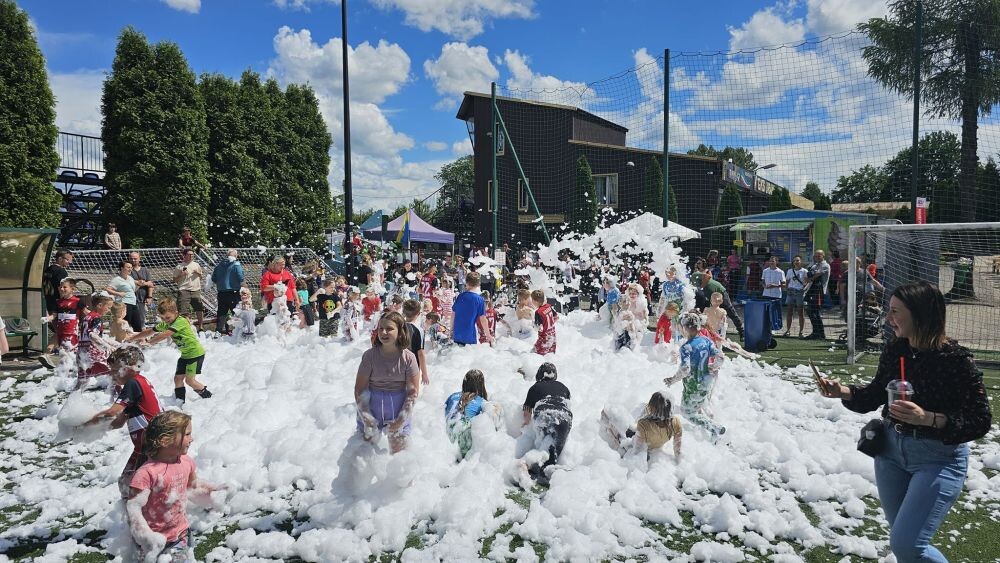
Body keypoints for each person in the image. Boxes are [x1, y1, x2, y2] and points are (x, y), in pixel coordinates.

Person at [815, 281, 992, 563]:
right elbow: (874, 394)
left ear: (920, 314)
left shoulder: (956, 360)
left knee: (908, 546)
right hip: (890, 454)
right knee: (903, 545)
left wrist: (929, 418)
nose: (888, 318)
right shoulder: (897, 349)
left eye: (895, 311)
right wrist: (842, 391)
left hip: (938, 459)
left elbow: (981, 420)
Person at [128, 411, 217, 561]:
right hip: (151, 541)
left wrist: (213, 493)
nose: (192, 439)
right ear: (165, 440)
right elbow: (133, 510)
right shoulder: (146, 474)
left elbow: (193, 486)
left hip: (180, 534)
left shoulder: (186, 461)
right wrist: (147, 536)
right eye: (187, 434)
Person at [87, 346, 161, 497]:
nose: (112, 375)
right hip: (150, 443)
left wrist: (85, 423)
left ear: (129, 369)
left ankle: (142, 514)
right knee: (130, 484)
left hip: (150, 445)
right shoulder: (139, 383)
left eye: (115, 370)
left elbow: (113, 412)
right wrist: (94, 430)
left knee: (131, 486)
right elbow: (119, 421)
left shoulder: (133, 383)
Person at [354, 312, 420, 454]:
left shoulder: (409, 358)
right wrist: (367, 417)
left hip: (398, 408)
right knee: (364, 455)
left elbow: (412, 393)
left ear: (401, 331)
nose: (384, 332)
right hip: (372, 406)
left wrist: (400, 420)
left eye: (389, 329)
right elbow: (360, 389)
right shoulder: (369, 356)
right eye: (380, 328)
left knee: (400, 458)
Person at [130, 299, 211, 402]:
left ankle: (208, 397)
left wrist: (150, 342)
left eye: (168, 317)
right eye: (163, 318)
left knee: (190, 381)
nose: (165, 320)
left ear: (176, 313)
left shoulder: (180, 321)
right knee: (177, 379)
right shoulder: (166, 323)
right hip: (185, 355)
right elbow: (150, 331)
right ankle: (179, 402)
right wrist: (133, 338)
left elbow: (166, 334)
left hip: (195, 354)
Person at [664, 312, 726, 438]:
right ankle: (708, 429)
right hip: (706, 382)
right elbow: (720, 357)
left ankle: (714, 428)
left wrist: (672, 380)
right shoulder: (706, 341)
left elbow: (685, 369)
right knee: (699, 405)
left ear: (685, 328)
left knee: (687, 412)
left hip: (693, 386)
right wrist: (713, 367)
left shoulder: (687, 347)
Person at [521, 362, 572, 484]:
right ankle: (553, 473)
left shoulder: (534, 388)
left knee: (542, 448)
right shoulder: (564, 387)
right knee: (554, 453)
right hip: (564, 418)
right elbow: (568, 405)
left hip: (544, 414)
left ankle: (537, 468)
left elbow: (527, 412)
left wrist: (524, 426)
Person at [600, 391, 683, 460]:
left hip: (638, 445)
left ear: (653, 407)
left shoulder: (644, 424)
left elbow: (637, 449)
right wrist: (678, 461)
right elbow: (677, 448)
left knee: (606, 414)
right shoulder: (675, 422)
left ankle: (606, 435)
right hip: (654, 444)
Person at [444, 369, 499, 459]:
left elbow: (444, 415)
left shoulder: (452, 396)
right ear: (481, 386)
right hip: (464, 449)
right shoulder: (481, 402)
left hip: (447, 443)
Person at [697, 271, 745, 340]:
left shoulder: (709, 287)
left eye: (700, 283)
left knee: (731, 312)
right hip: (713, 297)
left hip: (721, 294)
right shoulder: (703, 286)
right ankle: (709, 333)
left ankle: (741, 332)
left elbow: (710, 300)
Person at [78, 294, 114, 382]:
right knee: (112, 376)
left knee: (82, 380)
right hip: (94, 353)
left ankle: (75, 395)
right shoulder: (97, 318)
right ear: (100, 305)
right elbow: (93, 335)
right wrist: (107, 347)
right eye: (108, 307)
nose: (109, 310)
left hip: (82, 351)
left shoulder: (87, 317)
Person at [451, 272, 492, 346]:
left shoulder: (460, 296)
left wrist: (451, 330)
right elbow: (483, 320)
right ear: (478, 284)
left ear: (466, 282)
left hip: (457, 334)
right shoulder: (479, 300)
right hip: (469, 335)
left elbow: (453, 314)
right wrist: (488, 335)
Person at [212, 249, 245, 334]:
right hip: (233, 292)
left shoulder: (219, 265)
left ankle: (218, 332)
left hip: (221, 293)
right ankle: (239, 332)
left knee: (221, 313)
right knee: (237, 312)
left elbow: (213, 279)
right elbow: (241, 278)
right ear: (235, 256)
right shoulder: (236, 264)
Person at [107, 260, 142, 333]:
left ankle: (140, 340)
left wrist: (139, 285)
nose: (130, 269)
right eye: (128, 267)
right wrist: (118, 294)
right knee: (125, 325)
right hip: (124, 304)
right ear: (122, 268)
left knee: (138, 325)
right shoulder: (117, 279)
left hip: (133, 303)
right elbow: (108, 289)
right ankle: (123, 341)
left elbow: (132, 291)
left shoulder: (130, 278)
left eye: (131, 267)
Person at [174, 249, 205, 331]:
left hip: (196, 289)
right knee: (183, 310)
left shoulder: (197, 265)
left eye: (192, 254)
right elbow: (175, 280)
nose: (191, 256)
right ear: (184, 255)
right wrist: (181, 274)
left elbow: (201, 277)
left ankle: (201, 326)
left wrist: (198, 273)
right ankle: (186, 328)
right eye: (189, 254)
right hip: (184, 290)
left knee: (199, 308)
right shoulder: (179, 266)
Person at [804, 249, 830, 340]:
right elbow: (808, 273)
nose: (817, 257)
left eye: (819, 255)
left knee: (815, 312)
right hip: (811, 290)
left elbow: (815, 275)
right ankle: (815, 332)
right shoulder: (814, 265)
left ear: (823, 256)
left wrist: (810, 276)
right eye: (816, 255)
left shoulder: (825, 265)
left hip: (819, 291)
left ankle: (821, 334)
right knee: (810, 311)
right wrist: (810, 275)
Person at [43, 249, 73, 318]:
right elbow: (63, 288)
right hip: (57, 301)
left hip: (47, 300)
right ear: (60, 259)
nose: (69, 262)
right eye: (67, 260)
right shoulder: (61, 271)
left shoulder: (48, 269)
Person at [784, 255, 809, 337]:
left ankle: (801, 332)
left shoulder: (804, 271)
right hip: (791, 292)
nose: (796, 262)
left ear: (801, 261)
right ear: (793, 262)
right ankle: (788, 330)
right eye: (795, 260)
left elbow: (807, 282)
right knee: (789, 312)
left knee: (800, 313)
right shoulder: (790, 271)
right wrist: (787, 289)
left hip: (799, 292)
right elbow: (787, 281)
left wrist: (804, 289)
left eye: (798, 260)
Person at [129, 252, 154, 325]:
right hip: (130, 298)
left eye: (135, 259)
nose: (133, 260)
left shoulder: (145, 270)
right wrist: (143, 283)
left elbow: (151, 285)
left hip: (142, 298)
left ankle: (141, 334)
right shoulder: (127, 269)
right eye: (131, 258)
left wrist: (149, 296)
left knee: (141, 319)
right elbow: (128, 281)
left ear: (139, 259)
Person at [761, 255, 785, 328]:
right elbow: (762, 281)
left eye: (773, 261)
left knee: (776, 311)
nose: (771, 262)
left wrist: (775, 285)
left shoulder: (780, 272)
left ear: (776, 262)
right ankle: (767, 326)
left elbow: (784, 284)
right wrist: (764, 286)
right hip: (766, 294)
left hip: (776, 295)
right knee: (766, 311)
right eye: (770, 261)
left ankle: (777, 326)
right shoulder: (765, 271)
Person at [532, 289, 557, 355]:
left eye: (532, 300)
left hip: (544, 338)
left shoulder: (538, 312)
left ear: (535, 301)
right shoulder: (548, 306)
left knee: (537, 356)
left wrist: (533, 325)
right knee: (550, 356)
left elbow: (539, 328)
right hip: (552, 336)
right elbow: (556, 317)